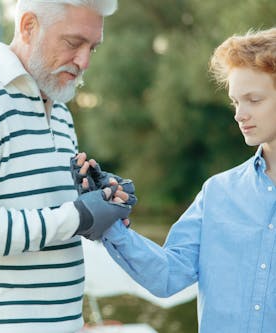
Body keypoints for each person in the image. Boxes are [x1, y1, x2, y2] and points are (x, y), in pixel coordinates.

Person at [0, 1, 136, 332]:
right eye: (73, 42)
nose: (85, 61)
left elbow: (47, 218)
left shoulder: (60, 108)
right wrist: (75, 216)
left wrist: (98, 204)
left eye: (92, 47)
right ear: (28, 26)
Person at [97, 27, 276, 332]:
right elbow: (168, 276)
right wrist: (107, 219)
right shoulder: (218, 193)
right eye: (235, 102)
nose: (239, 114)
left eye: (254, 100)